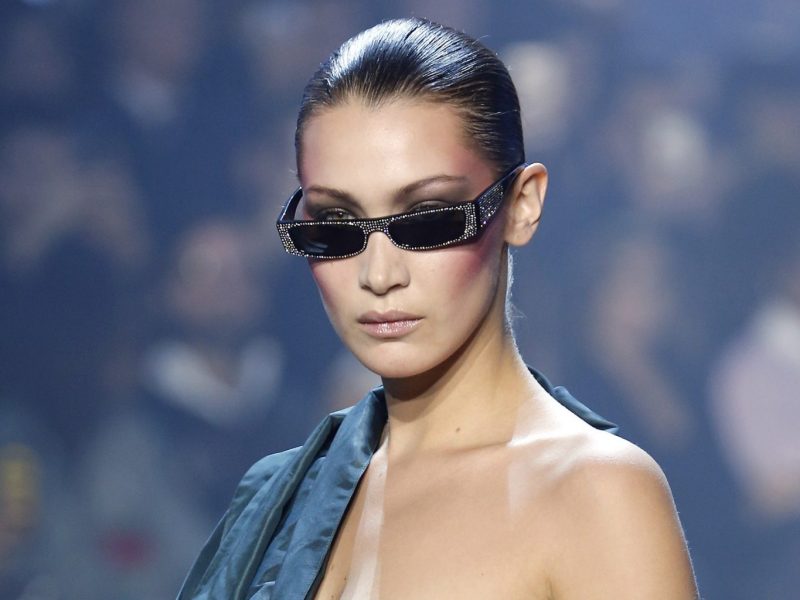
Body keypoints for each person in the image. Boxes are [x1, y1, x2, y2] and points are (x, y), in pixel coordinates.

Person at [178, 18, 698, 599]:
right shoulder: (276, 503)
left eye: (428, 219)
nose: (379, 275)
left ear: (521, 206)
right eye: (336, 224)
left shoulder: (594, 493)